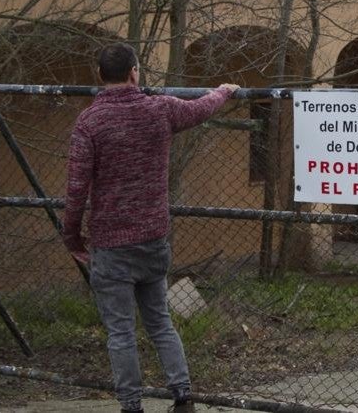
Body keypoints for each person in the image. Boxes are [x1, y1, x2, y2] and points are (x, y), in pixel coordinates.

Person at [63, 42, 238, 413]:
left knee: (121, 332)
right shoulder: (160, 109)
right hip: (153, 239)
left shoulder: (89, 122)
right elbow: (201, 109)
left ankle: (131, 405)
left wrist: (72, 236)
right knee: (160, 321)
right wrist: (223, 92)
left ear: (99, 75)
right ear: (134, 72)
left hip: (110, 243)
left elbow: (76, 189)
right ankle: (182, 396)